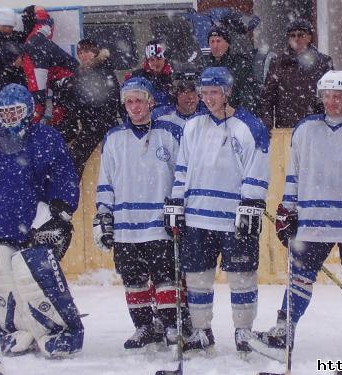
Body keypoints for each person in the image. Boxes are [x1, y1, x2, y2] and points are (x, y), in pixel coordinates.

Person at [249, 70, 342, 361]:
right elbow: (295, 175)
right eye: (327, 95)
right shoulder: (305, 129)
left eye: (338, 95)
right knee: (299, 277)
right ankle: (284, 332)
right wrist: (287, 209)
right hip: (312, 220)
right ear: (320, 96)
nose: (332, 101)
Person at [0, 83, 83, 358]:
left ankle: (59, 331)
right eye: (5, 112)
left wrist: (60, 212)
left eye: (15, 112)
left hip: (36, 227)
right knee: (0, 279)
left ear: (27, 111)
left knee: (33, 278)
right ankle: (15, 330)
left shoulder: (46, 139)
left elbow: (64, 176)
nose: (10, 118)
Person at [164, 67, 270, 353]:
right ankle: (200, 331)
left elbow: (257, 168)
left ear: (228, 92)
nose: (208, 98)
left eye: (215, 92)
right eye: (205, 93)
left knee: (242, 275)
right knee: (198, 277)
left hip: (234, 216)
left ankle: (243, 331)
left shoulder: (249, 125)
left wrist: (252, 201)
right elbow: (182, 169)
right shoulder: (193, 126)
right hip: (198, 216)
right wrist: (176, 201)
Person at [93, 77, 185, 350]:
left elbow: (182, 175)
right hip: (126, 226)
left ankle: (170, 325)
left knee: (166, 278)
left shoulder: (169, 132)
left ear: (151, 101)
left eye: (139, 100)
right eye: (129, 102)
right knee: (133, 280)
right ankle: (144, 326)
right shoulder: (114, 138)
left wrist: (178, 206)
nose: (134, 107)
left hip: (159, 224)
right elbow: (106, 180)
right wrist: (103, 213)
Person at [62, 38, 120, 178]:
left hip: (101, 124)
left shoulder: (104, 70)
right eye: (80, 52)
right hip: (88, 124)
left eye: (86, 51)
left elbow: (110, 101)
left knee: (74, 158)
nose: (82, 55)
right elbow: (74, 103)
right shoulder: (80, 73)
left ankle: (69, 192)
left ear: (95, 52)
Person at [261, 18, 333, 130]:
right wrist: (267, 123)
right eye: (292, 35)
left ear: (309, 37)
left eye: (301, 35)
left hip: (316, 124)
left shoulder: (323, 62)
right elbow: (268, 96)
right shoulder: (278, 62)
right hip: (287, 125)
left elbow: (330, 93)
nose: (296, 39)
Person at [21, 5, 78, 126]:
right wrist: (39, 10)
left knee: (60, 117)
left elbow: (39, 89)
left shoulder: (31, 51)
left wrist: (32, 122)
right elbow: (46, 24)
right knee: (62, 114)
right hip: (73, 74)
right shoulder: (36, 36)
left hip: (67, 79)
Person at [204, 26, 261, 115]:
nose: (215, 45)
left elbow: (249, 95)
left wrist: (235, 111)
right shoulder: (204, 65)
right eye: (212, 41)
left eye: (219, 41)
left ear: (227, 43)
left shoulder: (241, 65)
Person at [126, 40, 174, 108]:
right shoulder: (137, 77)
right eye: (152, 60)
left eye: (159, 58)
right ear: (147, 61)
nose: (156, 63)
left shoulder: (173, 76)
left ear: (164, 59)